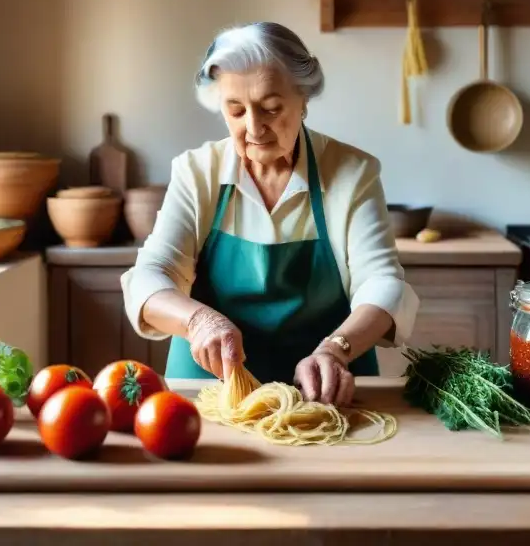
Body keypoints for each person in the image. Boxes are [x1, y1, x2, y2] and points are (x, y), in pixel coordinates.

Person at [121, 22, 419, 406]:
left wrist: (336, 350)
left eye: (271, 108)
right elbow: (149, 276)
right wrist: (199, 321)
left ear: (303, 99)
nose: (253, 126)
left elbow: (383, 283)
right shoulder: (197, 172)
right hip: (211, 391)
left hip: (324, 392)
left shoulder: (352, 173)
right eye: (236, 110)